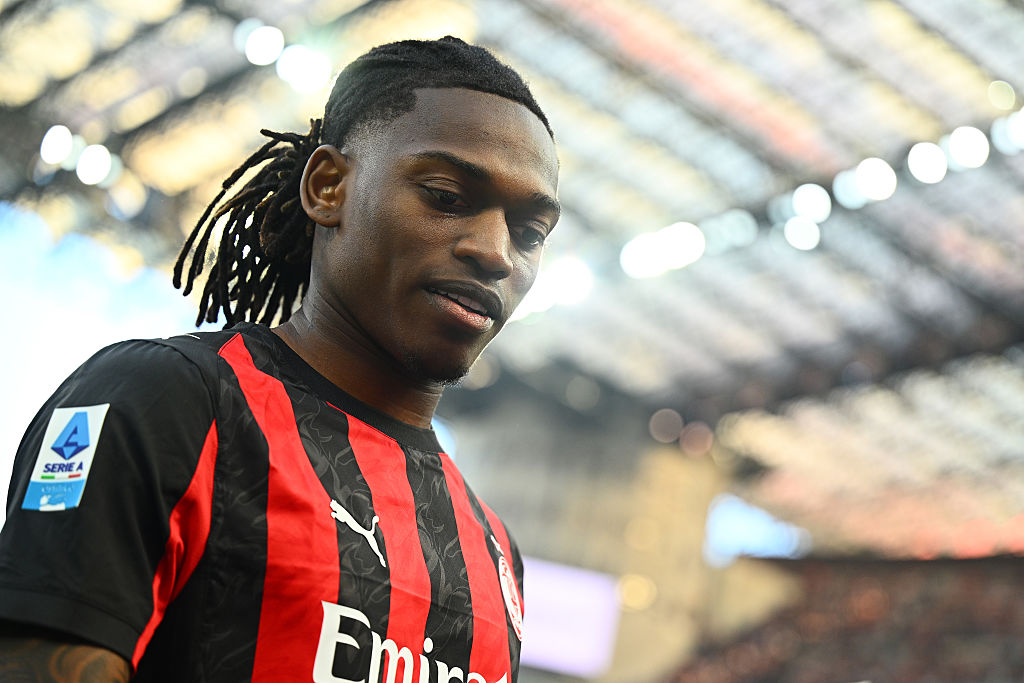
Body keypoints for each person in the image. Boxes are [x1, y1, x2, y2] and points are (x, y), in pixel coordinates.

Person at [0, 36, 559, 682]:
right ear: (328, 187)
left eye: (529, 233)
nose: (496, 253)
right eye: (446, 196)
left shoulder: (495, 552)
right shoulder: (166, 403)